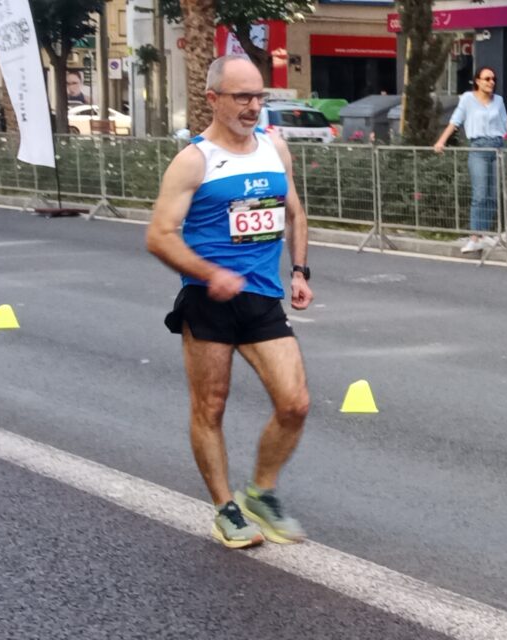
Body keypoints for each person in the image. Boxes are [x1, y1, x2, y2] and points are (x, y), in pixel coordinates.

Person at [146, 55, 313, 550]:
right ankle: (225, 509)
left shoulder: (274, 147)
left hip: (262, 296)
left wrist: (300, 271)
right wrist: (208, 272)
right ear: (213, 98)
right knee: (210, 407)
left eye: (259, 96)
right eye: (242, 97)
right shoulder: (193, 160)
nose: (253, 106)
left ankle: (261, 490)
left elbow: (295, 214)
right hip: (208, 300)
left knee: (295, 403)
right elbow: (159, 236)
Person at [434, 66, 507, 254]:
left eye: (493, 79)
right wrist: (442, 140)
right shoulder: (467, 99)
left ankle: (483, 235)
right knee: (480, 194)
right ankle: (474, 237)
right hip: (478, 147)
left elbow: (506, 124)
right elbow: (455, 120)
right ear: (477, 81)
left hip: (497, 147)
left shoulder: (498, 101)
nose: (491, 82)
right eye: (487, 79)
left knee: (492, 195)